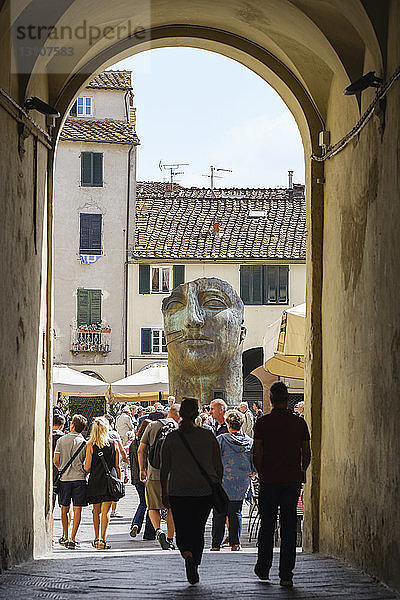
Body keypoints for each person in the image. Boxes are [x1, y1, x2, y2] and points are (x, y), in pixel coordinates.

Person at [252, 381, 311, 588]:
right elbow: (307, 452)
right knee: (288, 526)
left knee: (267, 525)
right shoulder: (299, 423)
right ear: (287, 399)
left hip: (269, 480)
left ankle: (263, 567)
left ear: (271, 399)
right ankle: (286, 573)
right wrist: (301, 471)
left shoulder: (262, 423)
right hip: (291, 480)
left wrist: (261, 472)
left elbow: (257, 452)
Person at [160, 397, 223, 585]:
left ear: (180, 415)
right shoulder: (208, 436)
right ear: (197, 414)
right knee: (198, 528)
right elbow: (218, 466)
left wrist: (164, 492)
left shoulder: (171, 438)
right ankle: (194, 560)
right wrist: (216, 484)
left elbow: (165, 468)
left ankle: (187, 554)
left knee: (182, 528)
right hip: (204, 491)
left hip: (178, 490)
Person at [137, 404, 180, 550]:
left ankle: (158, 530)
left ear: (169, 412)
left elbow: (140, 450)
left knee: (152, 506)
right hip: (174, 475)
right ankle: (170, 538)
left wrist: (142, 469)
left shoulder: (153, 425)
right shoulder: (181, 428)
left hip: (154, 472)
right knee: (172, 508)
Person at [211, 409, 254, 551]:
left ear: (229, 425)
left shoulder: (222, 439)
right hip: (240, 483)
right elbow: (254, 462)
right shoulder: (250, 442)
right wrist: (252, 472)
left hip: (222, 482)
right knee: (236, 512)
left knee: (219, 514)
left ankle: (216, 545)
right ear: (241, 424)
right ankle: (235, 544)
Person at [84, 416, 121, 550]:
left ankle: (95, 537)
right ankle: (102, 539)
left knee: (96, 511)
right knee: (106, 511)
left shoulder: (90, 445)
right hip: (109, 479)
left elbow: (87, 467)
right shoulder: (113, 444)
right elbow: (117, 465)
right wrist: (119, 480)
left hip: (95, 480)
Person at [53, 414, 88, 549]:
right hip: (79, 478)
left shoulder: (61, 440)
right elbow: (87, 464)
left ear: (72, 425)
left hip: (65, 479)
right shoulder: (85, 443)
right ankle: (72, 538)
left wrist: (61, 468)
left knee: (64, 508)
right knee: (77, 509)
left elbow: (56, 461)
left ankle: (65, 535)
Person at [128, 419, 156, 540]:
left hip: (136, 477)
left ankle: (136, 524)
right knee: (151, 504)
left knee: (142, 502)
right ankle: (149, 533)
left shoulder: (134, 443)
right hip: (148, 476)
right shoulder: (150, 443)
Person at [104, 413, 129, 518]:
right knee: (114, 487)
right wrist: (125, 459)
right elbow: (120, 448)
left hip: (100, 464)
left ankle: (101, 508)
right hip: (113, 463)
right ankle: (113, 510)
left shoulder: (97, 433)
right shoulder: (113, 434)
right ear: (111, 423)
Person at [52, 413, 65, 508]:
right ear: (62, 425)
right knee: (64, 505)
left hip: (49, 470)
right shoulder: (63, 438)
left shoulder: (46, 435)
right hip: (61, 471)